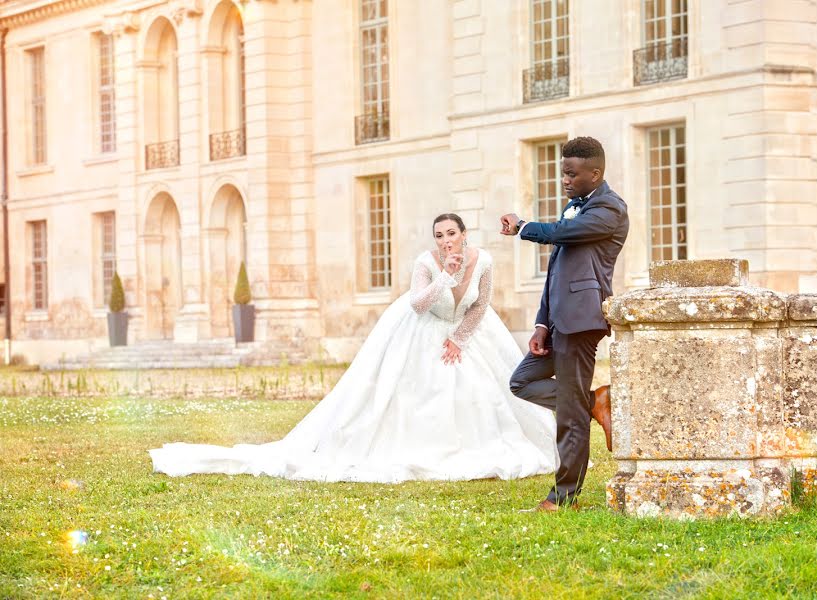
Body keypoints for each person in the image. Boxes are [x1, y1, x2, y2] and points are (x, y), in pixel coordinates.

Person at [150, 213, 557, 483]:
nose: (446, 240)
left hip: (464, 334)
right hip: (421, 330)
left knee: (482, 393)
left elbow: (483, 304)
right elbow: (417, 304)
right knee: (414, 395)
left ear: (464, 235)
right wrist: (446, 278)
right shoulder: (426, 262)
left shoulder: (482, 260)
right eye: (439, 235)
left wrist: (459, 339)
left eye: (452, 234)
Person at [500, 136, 629, 511]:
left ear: (596, 172)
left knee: (568, 417)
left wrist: (524, 226)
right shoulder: (576, 205)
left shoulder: (610, 209)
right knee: (522, 381)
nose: (565, 181)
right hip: (558, 322)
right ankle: (592, 402)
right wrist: (542, 323)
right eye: (563, 174)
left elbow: (564, 234)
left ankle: (563, 498)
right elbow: (556, 271)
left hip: (582, 320)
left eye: (572, 174)